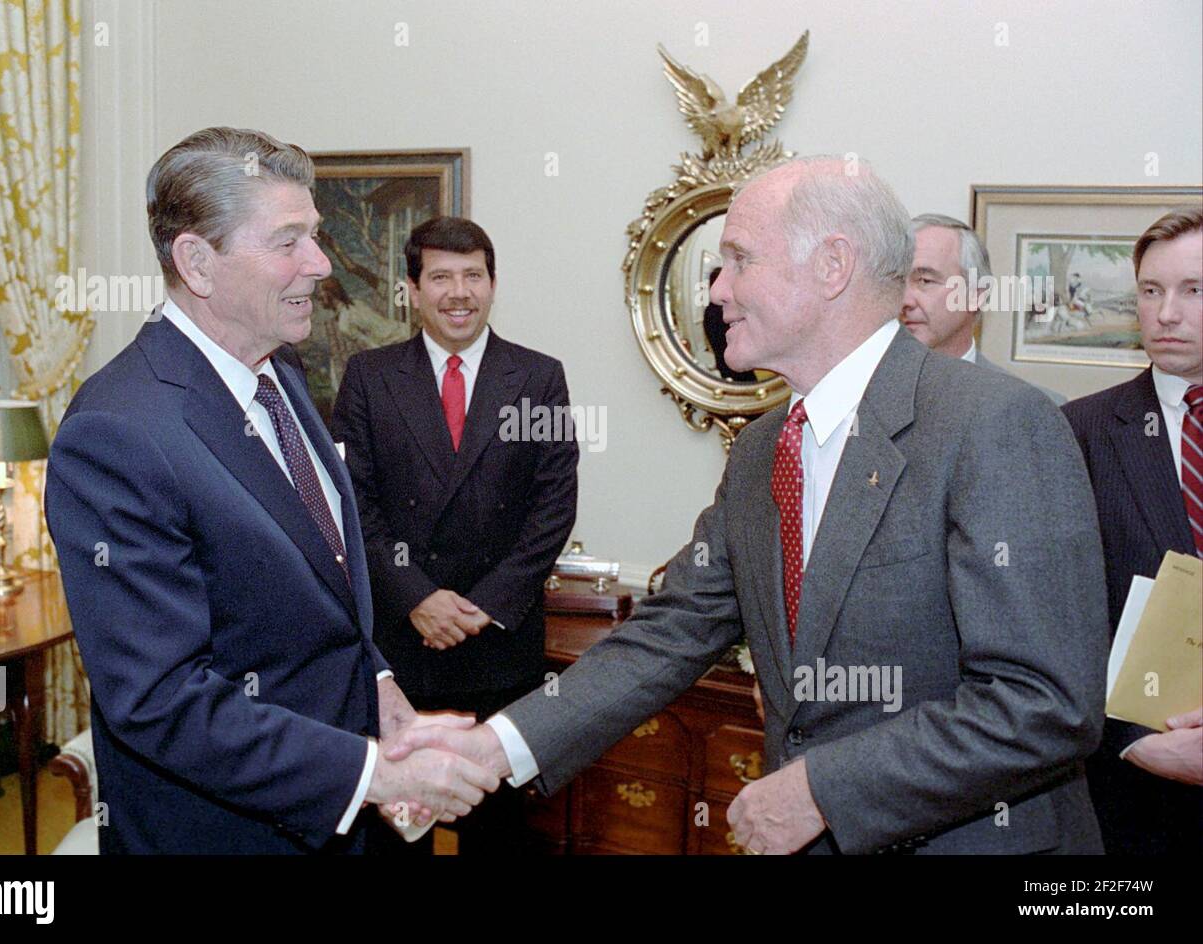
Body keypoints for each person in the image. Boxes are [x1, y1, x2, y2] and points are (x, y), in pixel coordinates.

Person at [392, 156, 1109, 855]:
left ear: (832, 266)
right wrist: (494, 748)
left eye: (738, 260)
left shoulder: (996, 426)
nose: (716, 290)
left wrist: (824, 791)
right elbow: (672, 630)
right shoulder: (765, 449)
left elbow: (1043, 703)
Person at [44, 127, 497, 854]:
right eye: (288, 242)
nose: (320, 264)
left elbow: (320, 590)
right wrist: (369, 775)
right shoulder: (117, 432)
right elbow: (160, 700)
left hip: (339, 818)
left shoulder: (278, 374)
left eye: (315, 236)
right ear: (197, 261)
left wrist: (383, 696)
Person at [332, 216, 578, 854]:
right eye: (440, 277)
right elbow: (354, 502)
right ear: (412, 289)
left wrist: (485, 606)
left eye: (473, 275)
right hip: (401, 646)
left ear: (493, 284)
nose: (459, 292)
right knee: (394, 829)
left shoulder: (538, 377)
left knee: (496, 834)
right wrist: (416, 595)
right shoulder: (369, 375)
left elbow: (553, 506)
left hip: (497, 645)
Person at [1062, 206, 1203, 854]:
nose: (1166, 313)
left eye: (1193, 290)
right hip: (1129, 802)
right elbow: (1053, 618)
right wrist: (1131, 739)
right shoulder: (1078, 434)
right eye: (1151, 291)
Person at [901, 213, 1065, 404]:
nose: (904, 300)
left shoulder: (1033, 409)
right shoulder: (862, 388)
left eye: (925, 281)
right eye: (896, 282)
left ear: (976, 295)